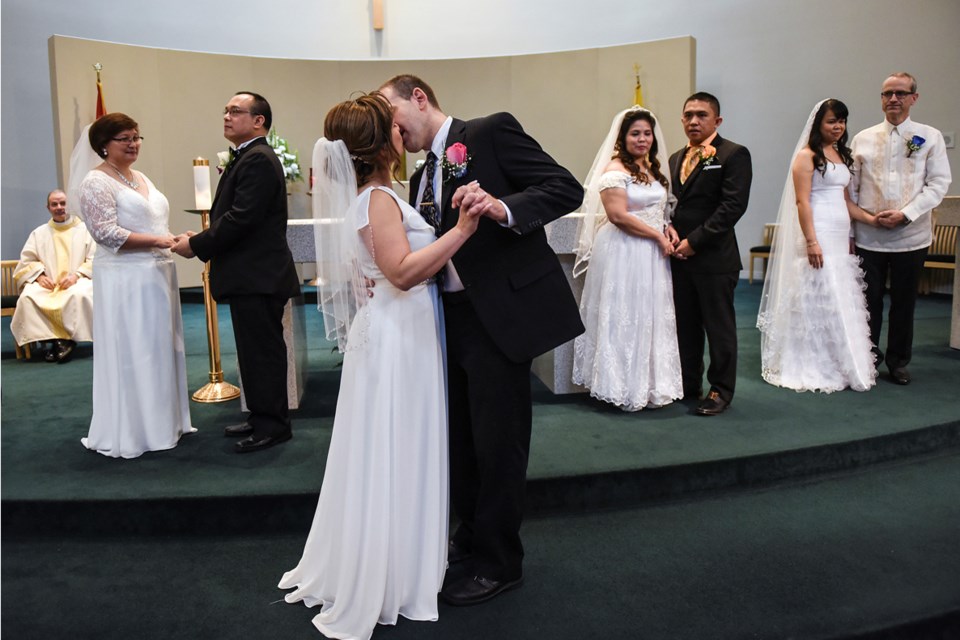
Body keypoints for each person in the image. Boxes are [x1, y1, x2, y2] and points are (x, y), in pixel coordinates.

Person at [278, 93, 482, 639]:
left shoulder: (379, 197)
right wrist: (461, 231)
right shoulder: (378, 200)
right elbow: (401, 272)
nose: (403, 131)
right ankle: (394, 572)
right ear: (381, 140)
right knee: (399, 445)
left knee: (391, 446)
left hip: (395, 329)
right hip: (397, 335)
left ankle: (399, 558)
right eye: (394, 126)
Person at [379, 74, 584, 605]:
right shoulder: (422, 174)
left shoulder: (490, 131)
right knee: (462, 441)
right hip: (448, 317)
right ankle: (469, 540)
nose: (391, 126)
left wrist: (502, 207)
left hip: (499, 315)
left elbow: (565, 187)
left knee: (498, 444)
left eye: (392, 111)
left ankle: (500, 562)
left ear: (418, 98)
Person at [172, 91, 301, 452]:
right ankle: (261, 416)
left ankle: (273, 425)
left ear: (258, 121)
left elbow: (241, 217)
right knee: (253, 352)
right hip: (252, 275)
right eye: (225, 110)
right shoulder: (249, 156)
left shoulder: (257, 158)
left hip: (258, 275)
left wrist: (196, 245)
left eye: (235, 111)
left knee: (263, 353)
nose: (226, 116)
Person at [78, 112, 194, 458]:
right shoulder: (95, 182)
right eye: (124, 139)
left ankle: (165, 421)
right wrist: (159, 241)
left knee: (160, 346)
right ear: (103, 145)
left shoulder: (139, 177)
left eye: (137, 137)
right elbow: (106, 233)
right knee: (136, 348)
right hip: (124, 277)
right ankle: (136, 429)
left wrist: (172, 238)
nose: (133, 144)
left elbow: (154, 219)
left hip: (157, 274)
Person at [757, 99, 879, 392]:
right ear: (818, 124)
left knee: (840, 294)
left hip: (839, 232)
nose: (838, 127)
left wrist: (873, 221)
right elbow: (802, 201)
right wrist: (811, 241)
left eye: (842, 121)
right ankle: (812, 362)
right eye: (831, 121)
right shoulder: (806, 156)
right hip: (817, 230)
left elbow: (846, 201)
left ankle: (841, 360)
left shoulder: (840, 154)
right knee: (817, 292)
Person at [572, 108, 682, 410]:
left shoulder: (651, 169)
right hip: (625, 249)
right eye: (635, 133)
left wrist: (667, 227)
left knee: (648, 313)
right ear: (623, 137)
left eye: (647, 133)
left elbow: (657, 208)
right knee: (624, 313)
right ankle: (619, 386)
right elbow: (618, 216)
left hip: (650, 253)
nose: (643, 139)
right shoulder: (614, 171)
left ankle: (648, 385)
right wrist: (657, 236)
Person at [849, 72, 952, 385]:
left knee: (904, 303)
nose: (893, 99)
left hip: (911, 236)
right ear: (881, 99)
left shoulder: (929, 136)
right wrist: (856, 229)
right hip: (870, 236)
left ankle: (898, 361)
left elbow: (938, 183)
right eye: (887, 93)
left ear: (914, 98)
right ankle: (868, 359)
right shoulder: (862, 138)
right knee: (869, 302)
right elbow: (852, 188)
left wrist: (906, 214)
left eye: (900, 93)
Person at [668, 92, 752, 416]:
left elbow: (732, 207)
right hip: (680, 258)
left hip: (715, 258)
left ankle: (720, 390)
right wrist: (671, 233)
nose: (693, 121)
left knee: (718, 328)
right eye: (688, 115)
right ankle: (688, 385)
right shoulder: (676, 157)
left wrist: (695, 241)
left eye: (702, 115)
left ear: (717, 120)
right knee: (685, 326)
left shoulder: (733, 154)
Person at [11, 189, 95, 363]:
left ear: (69, 205)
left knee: (78, 295)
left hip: (77, 281)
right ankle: (55, 342)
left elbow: (95, 260)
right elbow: (27, 261)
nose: (59, 207)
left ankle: (63, 341)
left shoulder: (85, 230)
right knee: (28, 297)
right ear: (48, 207)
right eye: (54, 204)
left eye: (63, 203)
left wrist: (77, 275)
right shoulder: (39, 233)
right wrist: (39, 276)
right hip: (49, 283)